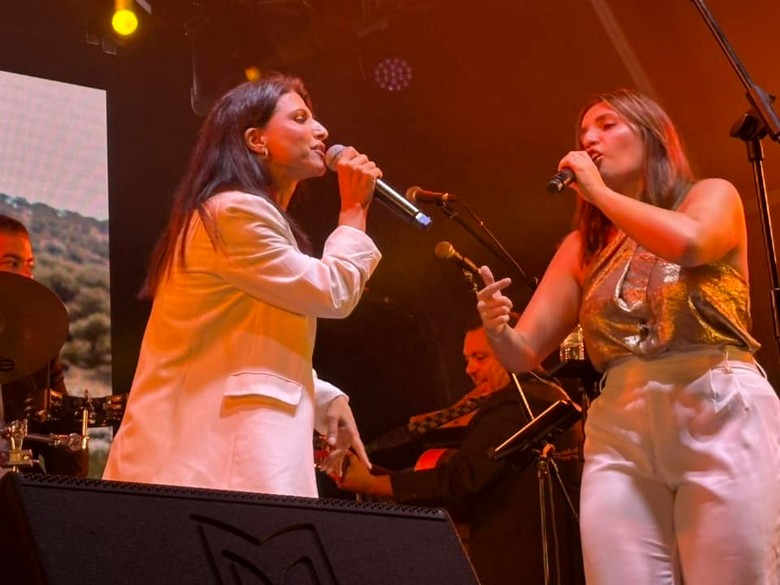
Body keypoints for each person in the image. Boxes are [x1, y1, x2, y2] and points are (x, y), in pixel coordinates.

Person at [475, 89, 780, 584]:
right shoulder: (583, 246)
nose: (589, 140)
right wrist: (497, 328)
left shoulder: (709, 196)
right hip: (621, 423)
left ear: (653, 135)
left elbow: (691, 244)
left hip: (716, 402)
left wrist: (599, 194)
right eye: (582, 134)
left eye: (607, 125)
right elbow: (523, 353)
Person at [102, 74, 382, 497]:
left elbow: (244, 337)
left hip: (216, 466)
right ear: (256, 140)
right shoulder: (233, 213)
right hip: (200, 466)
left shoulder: (242, 215)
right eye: (300, 118)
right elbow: (333, 292)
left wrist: (323, 398)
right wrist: (354, 210)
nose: (322, 131)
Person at [336, 323, 585, 585]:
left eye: (480, 357)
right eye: (467, 359)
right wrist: (380, 476)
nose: (470, 369)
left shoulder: (511, 406)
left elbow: (460, 481)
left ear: (513, 350)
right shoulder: (554, 395)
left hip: (515, 567)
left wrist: (372, 484)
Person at [0, 214, 89, 477]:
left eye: (29, 265)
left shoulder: (35, 346)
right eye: (12, 263)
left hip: (17, 491)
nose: (27, 276)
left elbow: (65, 441)